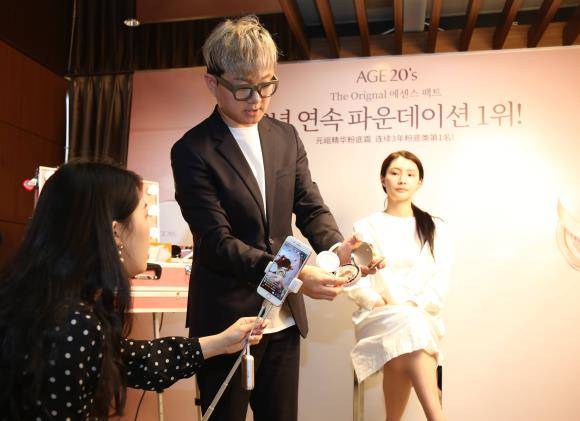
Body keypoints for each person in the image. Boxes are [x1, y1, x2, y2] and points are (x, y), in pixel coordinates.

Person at [171, 15, 351, 421]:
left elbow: (309, 205)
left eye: (267, 85)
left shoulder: (284, 136)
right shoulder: (193, 150)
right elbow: (217, 242)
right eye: (243, 88)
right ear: (212, 83)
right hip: (225, 321)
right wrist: (295, 276)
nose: (256, 99)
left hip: (282, 319)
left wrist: (338, 249)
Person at [0, 161, 267, 420]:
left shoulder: (54, 304)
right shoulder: (72, 323)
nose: (150, 231)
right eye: (146, 215)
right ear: (115, 232)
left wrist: (221, 342)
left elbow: (135, 359)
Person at [345, 151, 452, 421]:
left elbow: (440, 278)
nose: (402, 179)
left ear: (419, 182)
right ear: (383, 179)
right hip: (377, 314)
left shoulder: (435, 227)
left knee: (407, 329)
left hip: (422, 313)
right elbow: (353, 276)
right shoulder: (366, 226)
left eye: (410, 174)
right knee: (406, 327)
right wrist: (376, 301)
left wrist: (413, 305)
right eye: (395, 173)